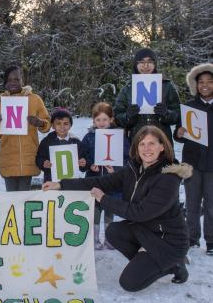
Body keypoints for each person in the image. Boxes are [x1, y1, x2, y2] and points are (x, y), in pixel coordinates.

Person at [44, 125, 191, 292]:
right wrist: (62, 184)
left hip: (168, 241)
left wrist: (104, 199)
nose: (146, 149)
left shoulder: (168, 177)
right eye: (142, 144)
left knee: (129, 283)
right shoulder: (133, 169)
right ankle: (148, 262)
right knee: (113, 231)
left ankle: (172, 265)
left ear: (162, 146)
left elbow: (141, 212)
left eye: (151, 144)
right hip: (145, 232)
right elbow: (101, 182)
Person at [0, 65, 50, 191]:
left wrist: (40, 123)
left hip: (28, 156)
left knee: (24, 196)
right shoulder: (0, 103)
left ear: (22, 80)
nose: (13, 82)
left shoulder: (35, 99)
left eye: (16, 79)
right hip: (8, 158)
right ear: (5, 83)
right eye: (9, 80)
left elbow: (47, 124)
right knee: (12, 198)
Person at [174, 63, 213, 255]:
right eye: (201, 82)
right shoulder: (189, 108)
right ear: (195, 85)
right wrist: (180, 133)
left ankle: (211, 241)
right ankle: (192, 238)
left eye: (209, 82)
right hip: (192, 163)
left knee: (212, 204)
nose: (205, 85)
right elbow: (178, 135)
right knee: (192, 202)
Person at [79, 102, 129, 250]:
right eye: (98, 120)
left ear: (111, 119)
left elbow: (127, 158)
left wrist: (116, 169)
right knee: (95, 209)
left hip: (113, 181)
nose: (101, 123)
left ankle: (108, 238)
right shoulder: (88, 137)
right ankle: (94, 239)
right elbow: (82, 157)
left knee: (110, 209)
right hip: (94, 179)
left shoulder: (119, 137)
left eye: (105, 119)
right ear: (93, 121)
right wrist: (88, 165)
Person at [114, 48, 180, 144]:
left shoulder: (167, 86)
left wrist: (166, 113)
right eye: (141, 62)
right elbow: (117, 117)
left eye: (150, 62)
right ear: (136, 65)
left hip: (162, 141)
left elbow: (177, 114)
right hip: (137, 141)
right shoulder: (127, 89)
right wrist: (128, 116)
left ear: (155, 64)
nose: (146, 65)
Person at [35, 107, 85, 182]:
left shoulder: (76, 142)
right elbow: (39, 158)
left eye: (65, 123)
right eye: (58, 123)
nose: (62, 126)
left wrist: (83, 163)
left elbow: (83, 159)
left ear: (70, 125)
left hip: (71, 182)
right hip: (51, 180)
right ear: (53, 125)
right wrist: (43, 163)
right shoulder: (46, 142)